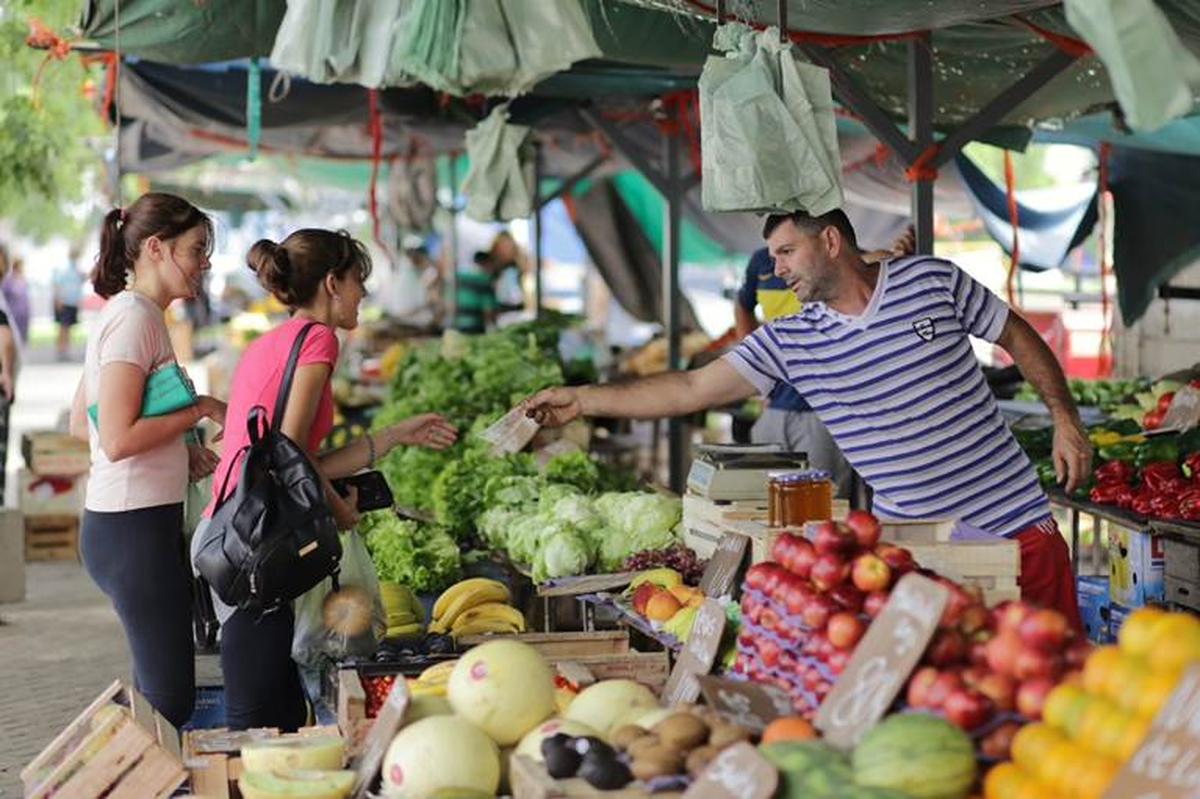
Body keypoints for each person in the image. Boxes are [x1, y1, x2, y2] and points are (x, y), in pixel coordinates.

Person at [527, 209, 1089, 627]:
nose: (775, 268)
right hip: (918, 555)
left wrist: (1064, 418)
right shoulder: (792, 339)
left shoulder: (929, 281)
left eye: (786, 252)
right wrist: (584, 400)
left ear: (830, 240)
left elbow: (1013, 331)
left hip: (1016, 529)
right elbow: (692, 387)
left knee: (1056, 689)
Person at [195, 228, 457, 730]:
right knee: (259, 723)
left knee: (277, 716)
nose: (363, 295)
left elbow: (299, 457)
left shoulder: (274, 341)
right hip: (255, 550)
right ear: (333, 283)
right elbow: (288, 450)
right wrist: (342, 512)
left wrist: (398, 434)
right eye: (360, 281)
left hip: (239, 537)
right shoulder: (319, 340)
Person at [68, 193, 227, 727]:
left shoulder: (134, 315)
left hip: (132, 524)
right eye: (197, 248)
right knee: (169, 700)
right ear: (156, 248)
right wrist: (197, 411)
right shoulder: (134, 319)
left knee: (160, 694)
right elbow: (113, 438)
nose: (205, 262)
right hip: (131, 529)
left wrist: (178, 454)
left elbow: (80, 421)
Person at [453, 250, 500, 334]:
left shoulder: (459, 276)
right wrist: (495, 329)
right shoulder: (484, 279)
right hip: (474, 328)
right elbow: (488, 309)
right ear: (487, 263)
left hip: (455, 325)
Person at [53, 247, 85, 361]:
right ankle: (61, 350)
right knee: (63, 327)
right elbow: (57, 285)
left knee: (67, 328)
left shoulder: (77, 270)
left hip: (72, 302)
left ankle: (65, 349)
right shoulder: (65, 269)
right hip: (65, 302)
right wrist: (58, 299)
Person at [3, 254, 30, 343]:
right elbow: (4, 296)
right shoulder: (8, 279)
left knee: (23, 337)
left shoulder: (23, 278)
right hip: (13, 313)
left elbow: (25, 297)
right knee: (13, 337)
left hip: (24, 313)